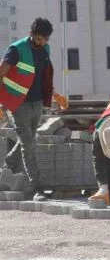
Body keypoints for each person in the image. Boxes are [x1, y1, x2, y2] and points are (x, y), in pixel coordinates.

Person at [0, 18, 68, 201]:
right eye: (39, 39)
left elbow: (41, 77)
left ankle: (8, 165)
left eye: (46, 40)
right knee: (28, 143)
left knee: (29, 139)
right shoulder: (16, 50)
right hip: (18, 104)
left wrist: (55, 94)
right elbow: (1, 71)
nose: (42, 43)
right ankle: (37, 187)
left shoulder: (45, 49)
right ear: (31, 34)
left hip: (37, 102)